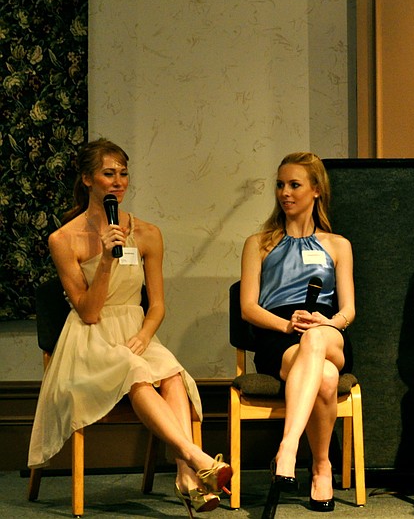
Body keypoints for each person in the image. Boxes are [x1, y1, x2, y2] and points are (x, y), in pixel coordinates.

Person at [28, 139, 232, 516]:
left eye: (123, 173)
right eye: (109, 174)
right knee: (137, 371)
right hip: (90, 339)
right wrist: (105, 260)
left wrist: (143, 335)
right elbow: (88, 312)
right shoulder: (63, 239)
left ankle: (188, 477)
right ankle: (194, 457)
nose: (118, 181)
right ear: (88, 179)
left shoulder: (149, 234)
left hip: (136, 332)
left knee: (171, 372)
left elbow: (157, 305)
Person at [240, 152, 354, 516]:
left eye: (294, 185)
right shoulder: (258, 242)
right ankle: (322, 467)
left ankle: (288, 447)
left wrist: (325, 323)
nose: (285, 193)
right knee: (325, 377)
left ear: (316, 190)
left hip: (327, 332)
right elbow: (248, 307)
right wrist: (287, 325)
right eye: (280, 185)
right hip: (278, 334)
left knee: (316, 341)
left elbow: (348, 310)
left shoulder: (338, 244)